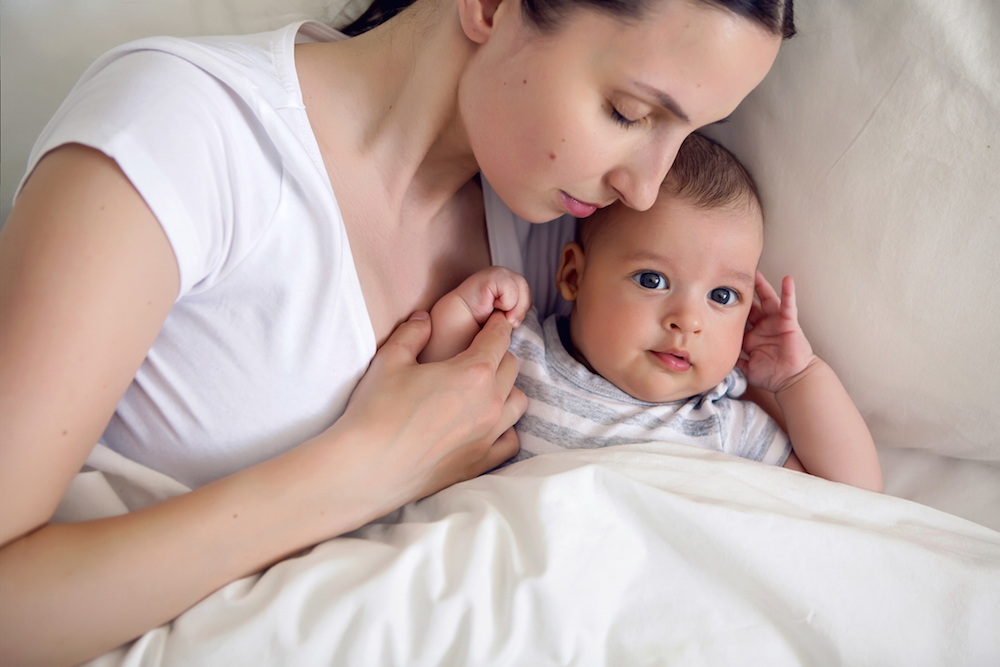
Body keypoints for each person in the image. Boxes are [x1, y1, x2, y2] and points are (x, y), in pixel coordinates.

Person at [0, 0, 794, 663]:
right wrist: (360, 471)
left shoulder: (569, 233)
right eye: (628, 112)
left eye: (686, 133)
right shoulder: (185, 133)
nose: (646, 187)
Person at [422, 133, 882, 491]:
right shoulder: (524, 357)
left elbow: (853, 493)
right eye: (652, 280)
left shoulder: (722, 426)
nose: (688, 321)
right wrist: (465, 307)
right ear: (574, 276)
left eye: (722, 296)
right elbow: (440, 386)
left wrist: (800, 379)